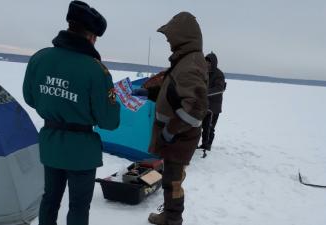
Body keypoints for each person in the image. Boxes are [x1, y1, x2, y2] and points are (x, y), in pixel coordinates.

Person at [22, 1, 120, 225]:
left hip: (51, 144)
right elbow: (109, 121)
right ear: (91, 37)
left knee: (50, 199)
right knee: (78, 206)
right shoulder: (96, 70)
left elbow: (30, 97)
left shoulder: (40, 58)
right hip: (81, 152)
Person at [134, 12, 208, 225]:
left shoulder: (190, 65)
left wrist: (170, 131)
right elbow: (174, 95)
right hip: (176, 137)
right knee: (170, 179)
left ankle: (172, 218)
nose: (168, 42)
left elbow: (195, 110)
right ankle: (170, 215)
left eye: (170, 38)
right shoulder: (185, 60)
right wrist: (150, 94)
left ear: (182, 37)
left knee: (173, 182)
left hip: (179, 137)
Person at [198, 52, 226, 157]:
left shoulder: (219, 74)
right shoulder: (204, 73)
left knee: (209, 127)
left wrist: (205, 92)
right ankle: (203, 144)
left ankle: (207, 145)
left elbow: (220, 89)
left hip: (214, 107)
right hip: (203, 105)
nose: (207, 64)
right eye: (206, 62)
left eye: (209, 62)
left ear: (213, 63)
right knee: (201, 125)